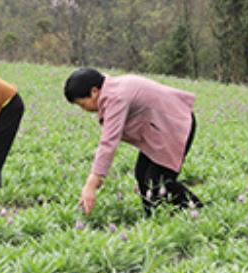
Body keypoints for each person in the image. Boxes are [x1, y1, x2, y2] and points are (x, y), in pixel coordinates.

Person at [64, 68, 202, 216]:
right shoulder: (110, 89)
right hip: (161, 129)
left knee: (157, 181)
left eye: (82, 104)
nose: (84, 109)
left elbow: (108, 142)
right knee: (142, 174)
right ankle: (154, 219)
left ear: (94, 92)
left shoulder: (115, 97)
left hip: (176, 125)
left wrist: (91, 184)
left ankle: (197, 210)